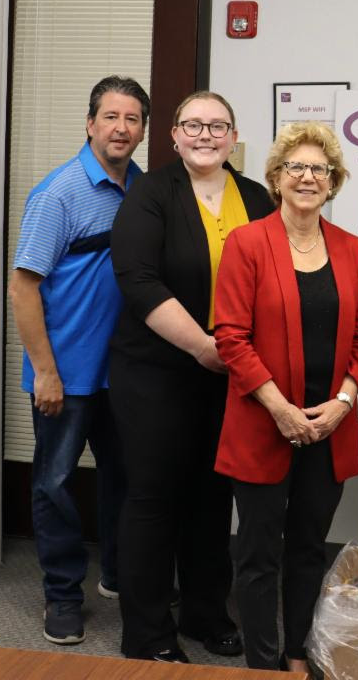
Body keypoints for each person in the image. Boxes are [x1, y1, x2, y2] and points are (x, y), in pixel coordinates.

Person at [109, 91, 275, 663]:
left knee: (212, 496)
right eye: (193, 125)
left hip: (230, 375)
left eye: (218, 126)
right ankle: (148, 633)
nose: (205, 135)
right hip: (156, 370)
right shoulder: (150, 195)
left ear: (233, 137)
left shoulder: (255, 197)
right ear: (174, 135)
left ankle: (206, 614)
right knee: (154, 499)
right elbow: (139, 281)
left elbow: (274, 284)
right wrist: (205, 347)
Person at [213, 121, 358, 673]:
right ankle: (262, 661)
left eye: (319, 169)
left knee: (308, 549)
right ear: (277, 178)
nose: (307, 177)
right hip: (264, 423)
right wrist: (280, 409)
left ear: (333, 182)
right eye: (296, 167)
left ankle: (297, 652)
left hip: (328, 428)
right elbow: (230, 336)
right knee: (258, 554)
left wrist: (343, 402)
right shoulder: (248, 243)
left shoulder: (351, 249)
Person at [9, 75, 148, 645]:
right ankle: (62, 597)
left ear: (142, 130)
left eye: (132, 118)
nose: (121, 128)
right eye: (110, 116)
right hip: (63, 375)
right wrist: (45, 370)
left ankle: (117, 573)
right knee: (55, 485)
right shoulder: (59, 193)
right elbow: (23, 287)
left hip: (126, 374)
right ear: (90, 124)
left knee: (126, 478)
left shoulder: (144, 188)